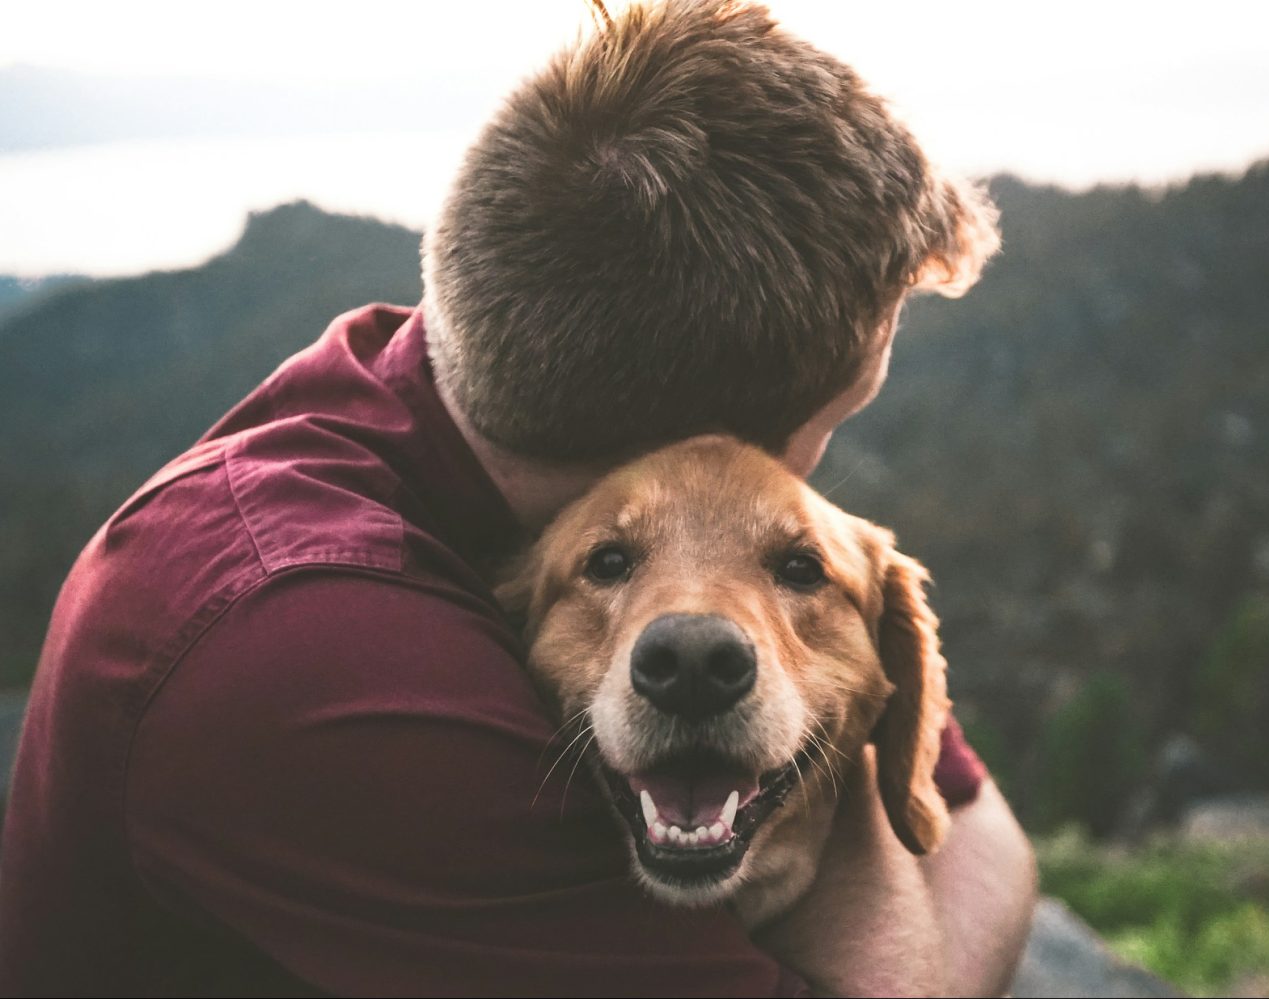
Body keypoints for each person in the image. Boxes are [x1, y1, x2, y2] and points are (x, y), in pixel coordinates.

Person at [0, 1, 1035, 994]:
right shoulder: (315, 658)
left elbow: (978, 827)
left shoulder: (452, 385)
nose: (794, 484)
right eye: (832, 422)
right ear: (702, 448)